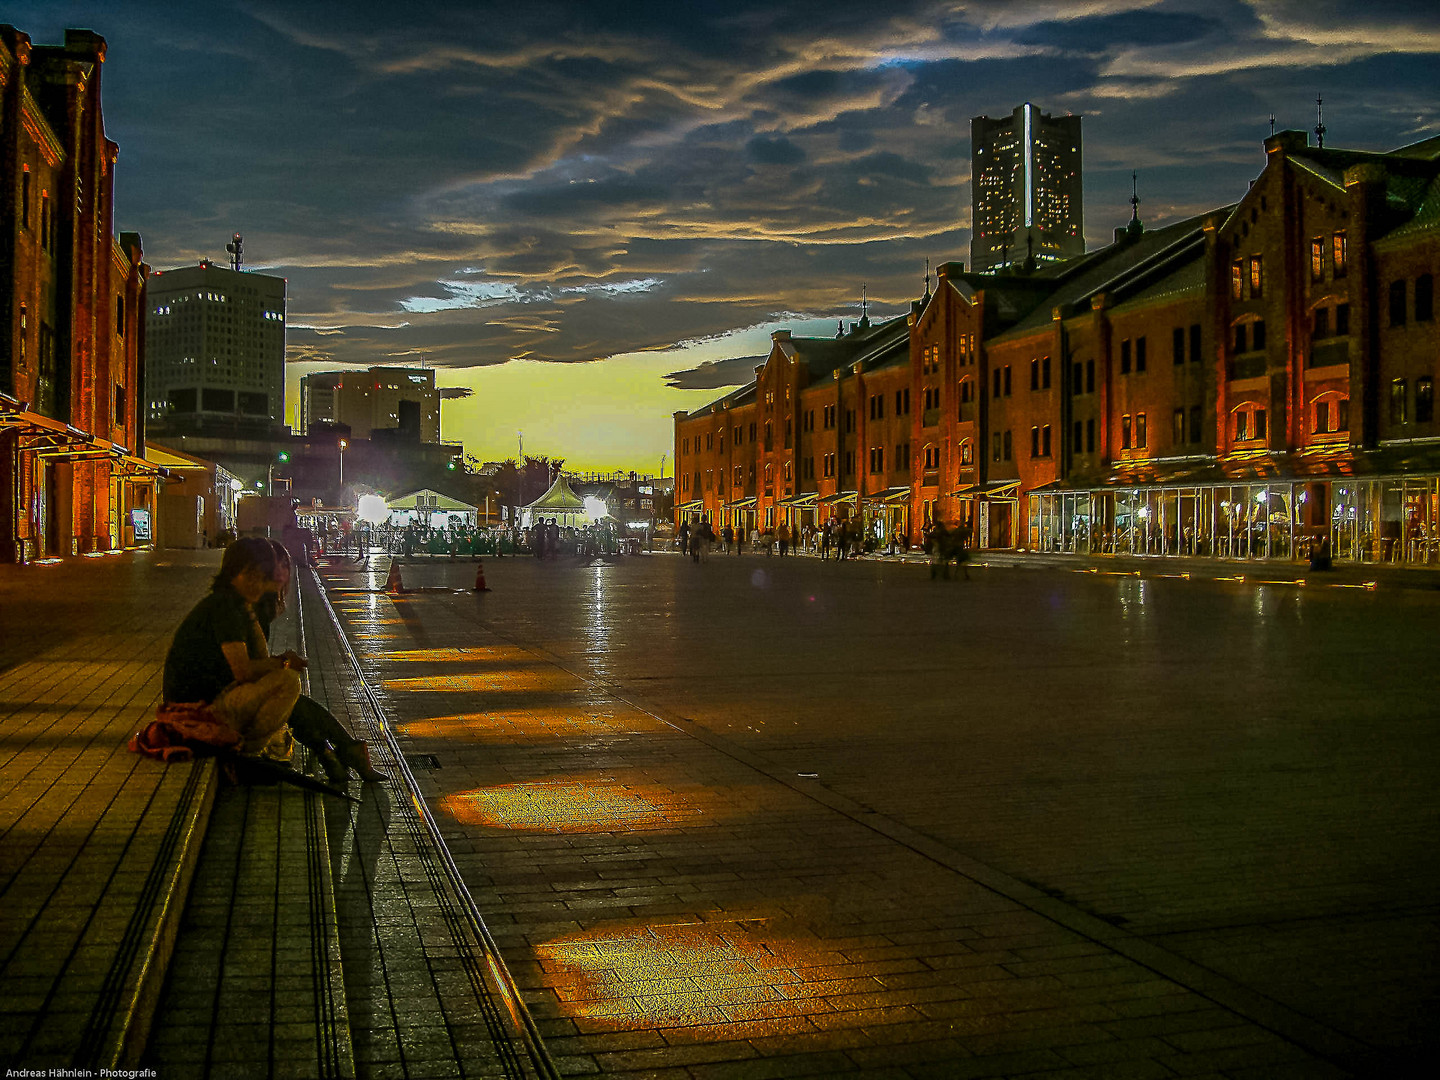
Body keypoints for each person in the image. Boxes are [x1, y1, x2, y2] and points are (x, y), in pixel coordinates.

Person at [255, 541, 388, 783]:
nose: (285, 577)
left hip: (230, 690)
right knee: (290, 698)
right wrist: (280, 664)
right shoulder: (244, 610)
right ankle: (340, 752)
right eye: (280, 570)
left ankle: (333, 753)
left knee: (292, 700)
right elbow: (244, 668)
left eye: (287, 568)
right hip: (217, 700)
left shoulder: (253, 608)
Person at [163, 538, 303, 762]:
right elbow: (244, 671)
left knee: (284, 684)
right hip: (196, 709)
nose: (256, 584)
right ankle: (246, 751)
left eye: (261, 577)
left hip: (214, 698)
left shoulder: (239, 605)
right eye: (250, 576)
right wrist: (284, 663)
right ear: (233, 572)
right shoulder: (224, 607)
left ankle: (337, 749)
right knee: (287, 682)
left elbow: (260, 658)